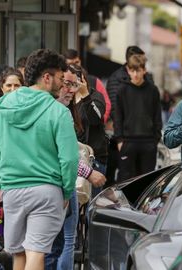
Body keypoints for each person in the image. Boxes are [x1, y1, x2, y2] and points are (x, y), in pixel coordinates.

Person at [0, 48, 78, 270]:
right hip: (46, 190)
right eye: (61, 79)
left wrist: (0, 184)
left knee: (19, 254)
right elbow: (69, 160)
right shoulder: (58, 112)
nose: (63, 85)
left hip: (12, 190)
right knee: (36, 253)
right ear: (47, 78)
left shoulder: (0, 108)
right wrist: (67, 191)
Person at [45, 65, 106, 270]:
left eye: (74, 84)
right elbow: (66, 156)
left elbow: (95, 120)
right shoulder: (58, 112)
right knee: (58, 242)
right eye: (67, 84)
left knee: (54, 243)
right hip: (58, 184)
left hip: (61, 184)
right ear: (52, 81)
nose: (71, 89)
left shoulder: (82, 102)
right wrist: (89, 173)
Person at [114, 54, 162, 181]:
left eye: (138, 70)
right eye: (132, 70)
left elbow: (157, 115)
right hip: (127, 141)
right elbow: (118, 116)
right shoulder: (122, 90)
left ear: (144, 70)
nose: (135, 74)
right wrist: (119, 140)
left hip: (148, 141)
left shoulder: (153, 90)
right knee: (125, 180)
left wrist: (155, 139)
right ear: (128, 70)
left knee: (147, 181)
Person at [63, 49, 111, 123]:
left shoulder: (94, 81)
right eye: (70, 64)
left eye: (76, 62)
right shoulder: (63, 90)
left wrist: (101, 123)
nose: (74, 66)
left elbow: (106, 104)